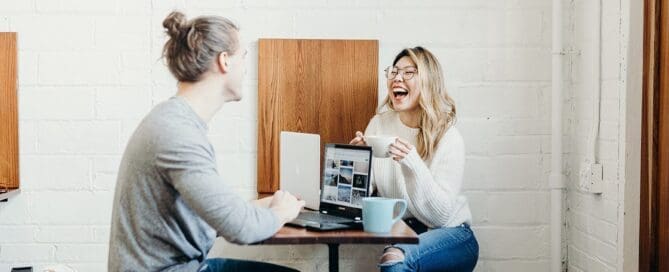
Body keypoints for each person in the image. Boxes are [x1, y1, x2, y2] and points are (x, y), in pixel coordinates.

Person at [108, 11, 304, 272]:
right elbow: (242, 229)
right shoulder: (178, 134)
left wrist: (260, 207)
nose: (247, 69)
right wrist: (281, 212)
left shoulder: (175, 121)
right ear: (224, 61)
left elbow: (214, 217)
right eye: (243, 57)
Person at [350, 47, 479, 271]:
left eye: (409, 72)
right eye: (394, 71)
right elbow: (362, 197)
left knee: (394, 260)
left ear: (428, 82)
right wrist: (359, 162)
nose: (397, 78)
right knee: (394, 257)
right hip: (405, 235)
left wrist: (412, 163)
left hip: (451, 235)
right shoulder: (379, 124)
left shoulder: (447, 136)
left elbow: (440, 217)